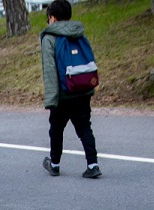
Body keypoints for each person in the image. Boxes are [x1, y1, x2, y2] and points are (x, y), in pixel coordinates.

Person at [40, 0, 100, 178]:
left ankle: (55, 164)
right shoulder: (79, 33)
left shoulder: (50, 37)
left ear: (52, 18)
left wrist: (51, 99)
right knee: (84, 127)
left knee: (56, 129)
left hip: (63, 94)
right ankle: (93, 164)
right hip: (82, 89)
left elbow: (49, 70)